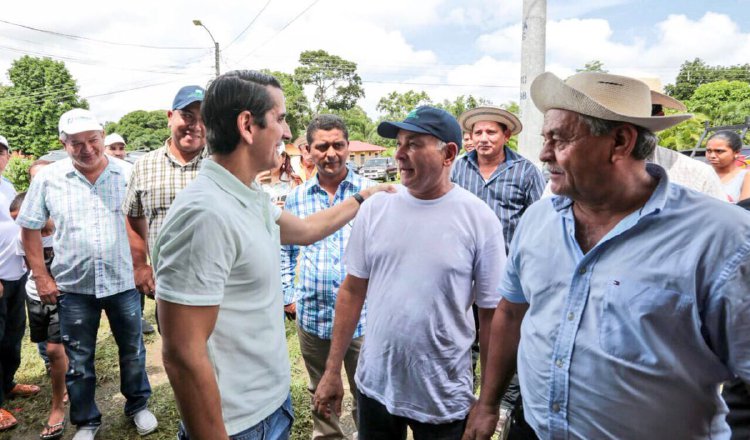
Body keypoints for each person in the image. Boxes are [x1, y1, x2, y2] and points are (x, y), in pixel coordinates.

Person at [462, 72, 750, 440]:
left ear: (620, 141)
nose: (544, 153)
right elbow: (511, 311)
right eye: (544, 138)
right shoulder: (538, 219)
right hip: (532, 429)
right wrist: (487, 404)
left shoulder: (723, 238)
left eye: (559, 139)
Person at [152, 70, 391, 440]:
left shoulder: (247, 198)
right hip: (239, 422)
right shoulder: (206, 214)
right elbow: (182, 354)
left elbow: (308, 230)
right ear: (248, 125)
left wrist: (363, 197)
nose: (287, 132)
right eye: (280, 118)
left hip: (268, 407)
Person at [313, 106, 506, 440]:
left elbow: (492, 316)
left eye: (414, 144)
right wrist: (332, 371)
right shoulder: (377, 207)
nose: (399, 154)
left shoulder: (479, 219)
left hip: (442, 395)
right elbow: (352, 290)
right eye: (399, 143)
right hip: (375, 385)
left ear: (448, 153)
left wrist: (487, 404)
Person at [17, 109, 156, 440]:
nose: (87, 149)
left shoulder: (128, 173)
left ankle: (138, 405)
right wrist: (41, 276)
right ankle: (87, 421)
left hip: (122, 281)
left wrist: (146, 264)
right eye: (76, 143)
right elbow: (30, 228)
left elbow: (144, 222)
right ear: (63, 143)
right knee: (78, 358)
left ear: (103, 136)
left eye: (93, 140)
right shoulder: (48, 179)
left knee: (132, 348)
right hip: (74, 286)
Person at [281, 114, 376, 439]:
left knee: (368, 395)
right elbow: (286, 250)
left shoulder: (371, 195)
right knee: (320, 391)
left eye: (338, 145)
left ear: (348, 147)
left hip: (365, 319)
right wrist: (286, 294)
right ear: (308, 150)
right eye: (322, 146)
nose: (331, 153)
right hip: (313, 315)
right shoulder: (297, 196)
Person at [452, 106, 544, 435]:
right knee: (466, 337)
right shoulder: (457, 169)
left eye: (491, 132)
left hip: (509, 278)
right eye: (477, 132)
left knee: (505, 337)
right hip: (463, 274)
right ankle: (464, 398)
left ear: (507, 135)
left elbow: (539, 222)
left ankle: (503, 403)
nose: (484, 138)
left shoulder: (526, 171)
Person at [122, 85, 207, 335]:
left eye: (204, 119)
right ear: (170, 117)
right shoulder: (144, 165)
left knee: (221, 363)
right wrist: (139, 265)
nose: (196, 125)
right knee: (178, 361)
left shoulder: (223, 162)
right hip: (168, 287)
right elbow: (132, 214)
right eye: (188, 116)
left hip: (219, 286)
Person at [11, 192, 67, 440]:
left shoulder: (61, 232)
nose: (20, 225)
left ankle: (61, 398)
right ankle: (60, 376)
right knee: (46, 346)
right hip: (35, 296)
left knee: (57, 349)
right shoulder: (22, 238)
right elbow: (28, 268)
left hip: (62, 296)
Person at [0, 135, 37, 433]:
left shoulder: (7, 186)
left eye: (2, 151)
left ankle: (7, 383)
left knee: (13, 335)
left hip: (16, 274)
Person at [706, 130, 750, 203]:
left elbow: (744, 210)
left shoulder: (745, 176)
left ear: (736, 153)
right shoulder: (701, 173)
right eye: (709, 151)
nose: (712, 156)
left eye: (719, 151)